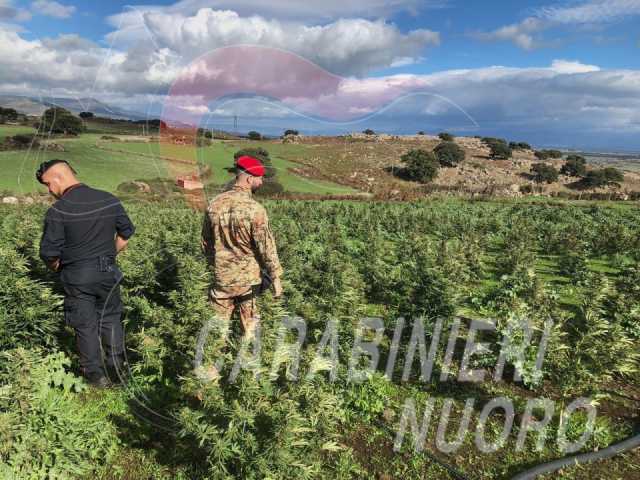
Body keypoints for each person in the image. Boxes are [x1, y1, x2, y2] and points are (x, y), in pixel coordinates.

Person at [37, 159, 135, 388]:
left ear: (58, 178)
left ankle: (95, 376)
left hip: (77, 274)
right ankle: (118, 370)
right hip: (108, 270)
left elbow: (49, 253)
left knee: (85, 324)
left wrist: (60, 268)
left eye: (47, 184)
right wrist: (109, 255)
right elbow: (126, 233)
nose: (49, 190)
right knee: (111, 319)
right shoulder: (108, 199)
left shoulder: (59, 209)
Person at [202, 155, 283, 348]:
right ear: (249, 179)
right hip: (249, 284)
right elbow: (266, 247)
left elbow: (206, 243)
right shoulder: (255, 209)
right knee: (250, 333)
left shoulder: (214, 204)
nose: (261, 182)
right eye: (259, 178)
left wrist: (216, 265)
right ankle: (247, 371)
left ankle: (211, 373)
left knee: (215, 334)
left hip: (221, 281)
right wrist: (276, 277)